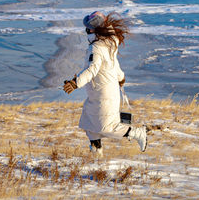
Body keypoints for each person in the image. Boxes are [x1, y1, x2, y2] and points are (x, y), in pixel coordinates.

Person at [63, 10, 147, 156]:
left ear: (93, 30)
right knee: (90, 125)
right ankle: (97, 158)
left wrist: (76, 82)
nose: (86, 30)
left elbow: (92, 69)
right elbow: (113, 64)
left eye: (87, 28)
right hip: (98, 91)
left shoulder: (96, 47)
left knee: (107, 127)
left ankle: (137, 133)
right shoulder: (109, 42)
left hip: (104, 93)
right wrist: (121, 77)